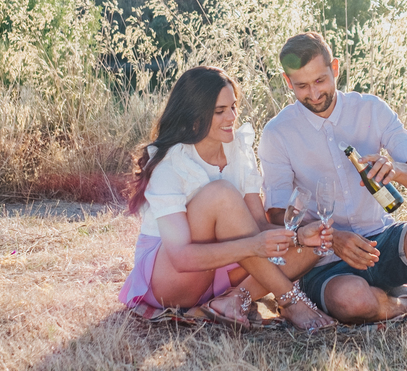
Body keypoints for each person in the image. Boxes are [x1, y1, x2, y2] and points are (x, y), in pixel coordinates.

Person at [258, 32, 407, 323]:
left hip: (382, 241)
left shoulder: (371, 108)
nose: (313, 93)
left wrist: (397, 170)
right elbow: (275, 213)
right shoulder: (277, 133)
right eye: (302, 86)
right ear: (288, 83)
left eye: (320, 80)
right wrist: (332, 238)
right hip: (324, 261)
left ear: (335, 69)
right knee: (352, 301)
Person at [120, 65, 335, 330]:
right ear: (194, 116)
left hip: (220, 271)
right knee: (221, 194)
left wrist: (300, 236)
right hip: (172, 279)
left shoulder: (239, 150)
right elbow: (181, 257)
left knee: (314, 248)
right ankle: (291, 302)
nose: (231, 117)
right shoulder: (172, 162)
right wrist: (252, 247)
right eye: (220, 111)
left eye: (233, 107)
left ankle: (232, 299)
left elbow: (257, 226)